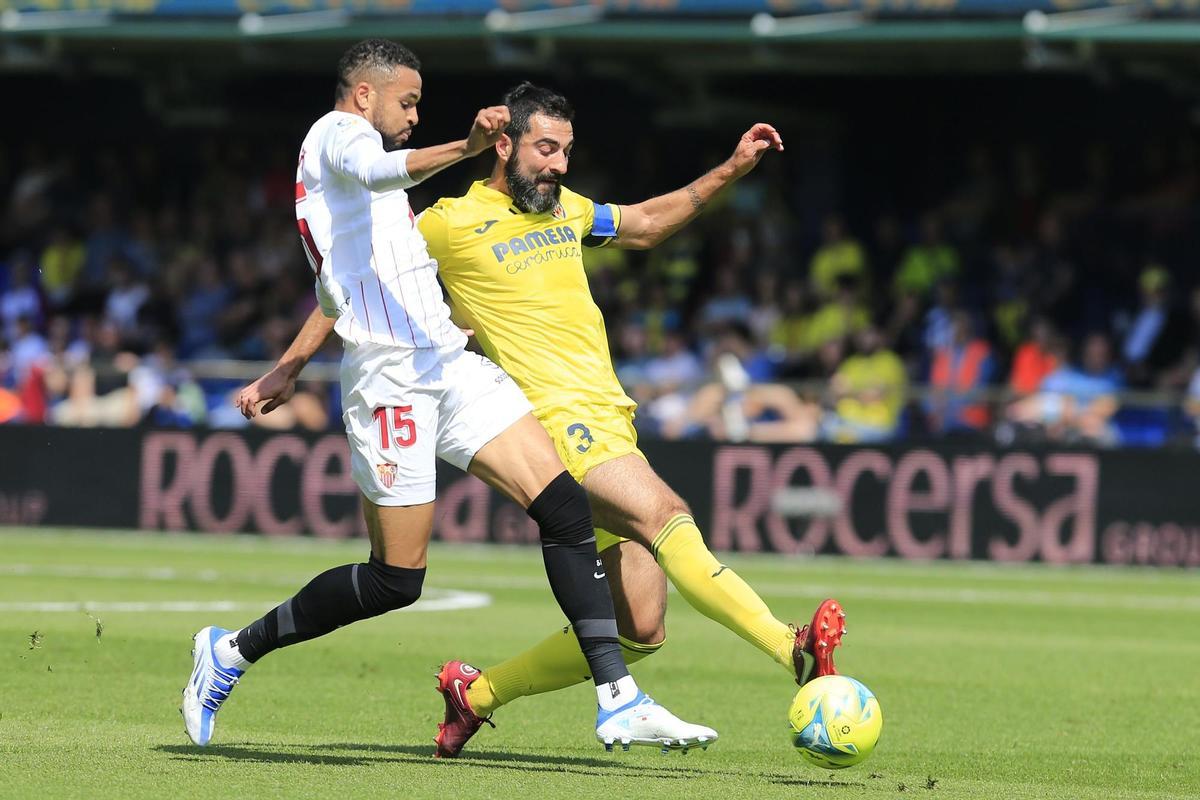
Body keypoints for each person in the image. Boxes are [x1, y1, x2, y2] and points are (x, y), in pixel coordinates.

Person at [239, 82, 846, 759]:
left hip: (611, 419)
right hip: (549, 425)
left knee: (641, 628)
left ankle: (476, 695)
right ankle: (789, 647)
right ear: (504, 145)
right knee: (666, 515)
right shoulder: (448, 221)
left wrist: (732, 170)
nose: (558, 165)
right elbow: (358, 280)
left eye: (566, 152)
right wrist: (289, 366)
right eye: (545, 149)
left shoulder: (568, 210)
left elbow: (643, 223)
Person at [185, 40, 714, 755]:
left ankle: (618, 699)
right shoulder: (337, 136)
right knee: (394, 581)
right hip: (388, 378)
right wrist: (465, 146)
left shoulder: (370, 196)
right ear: (365, 96)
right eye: (407, 101)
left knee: (563, 506)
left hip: (445, 358)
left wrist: (289, 364)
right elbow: (379, 169)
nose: (412, 114)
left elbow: (341, 283)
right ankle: (231, 651)